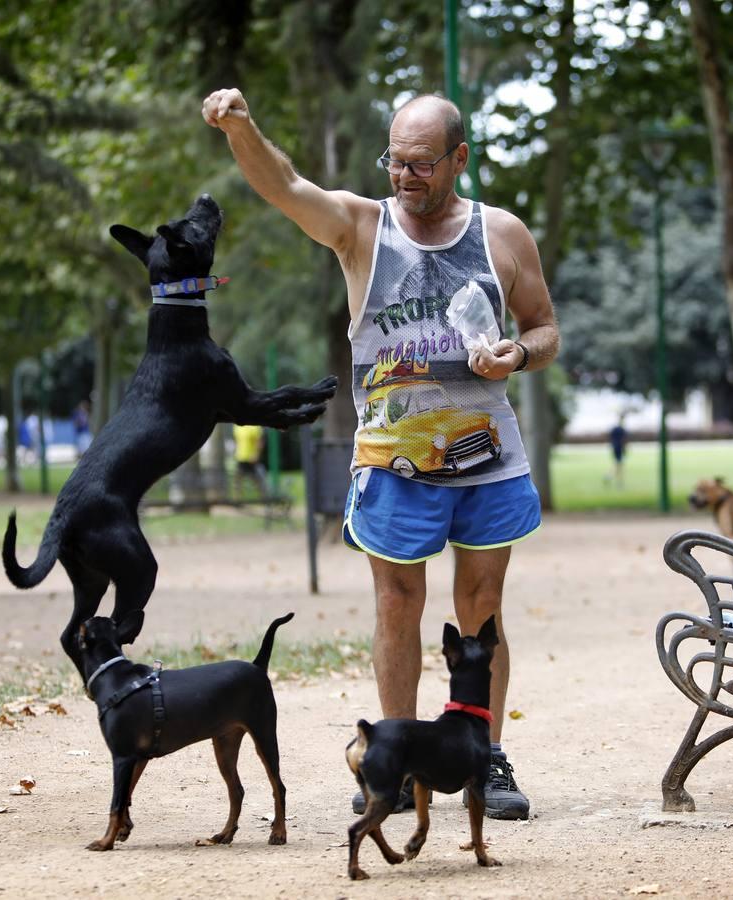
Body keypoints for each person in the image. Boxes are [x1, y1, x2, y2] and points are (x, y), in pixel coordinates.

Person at [203, 88, 559, 820]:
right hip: (394, 463)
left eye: (422, 164)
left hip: (486, 458)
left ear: (458, 159)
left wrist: (516, 354)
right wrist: (243, 127)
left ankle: (482, 757)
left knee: (480, 610)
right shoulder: (361, 228)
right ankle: (394, 765)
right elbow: (284, 184)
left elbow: (546, 328)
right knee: (398, 605)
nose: (405, 177)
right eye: (395, 161)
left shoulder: (503, 235)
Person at [232, 422, 268, 498]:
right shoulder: (237, 427)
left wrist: (256, 454)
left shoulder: (254, 426)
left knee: (258, 481)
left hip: (252, 459)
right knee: (237, 481)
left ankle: (265, 500)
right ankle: (238, 501)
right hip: (241, 458)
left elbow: (260, 442)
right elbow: (236, 441)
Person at [608, 418, 628, 487]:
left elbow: (610, 438)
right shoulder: (622, 430)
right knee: (619, 466)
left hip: (615, 448)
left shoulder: (614, 429)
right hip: (619, 449)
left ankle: (609, 476)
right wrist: (625, 449)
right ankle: (618, 482)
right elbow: (624, 440)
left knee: (617, 464)